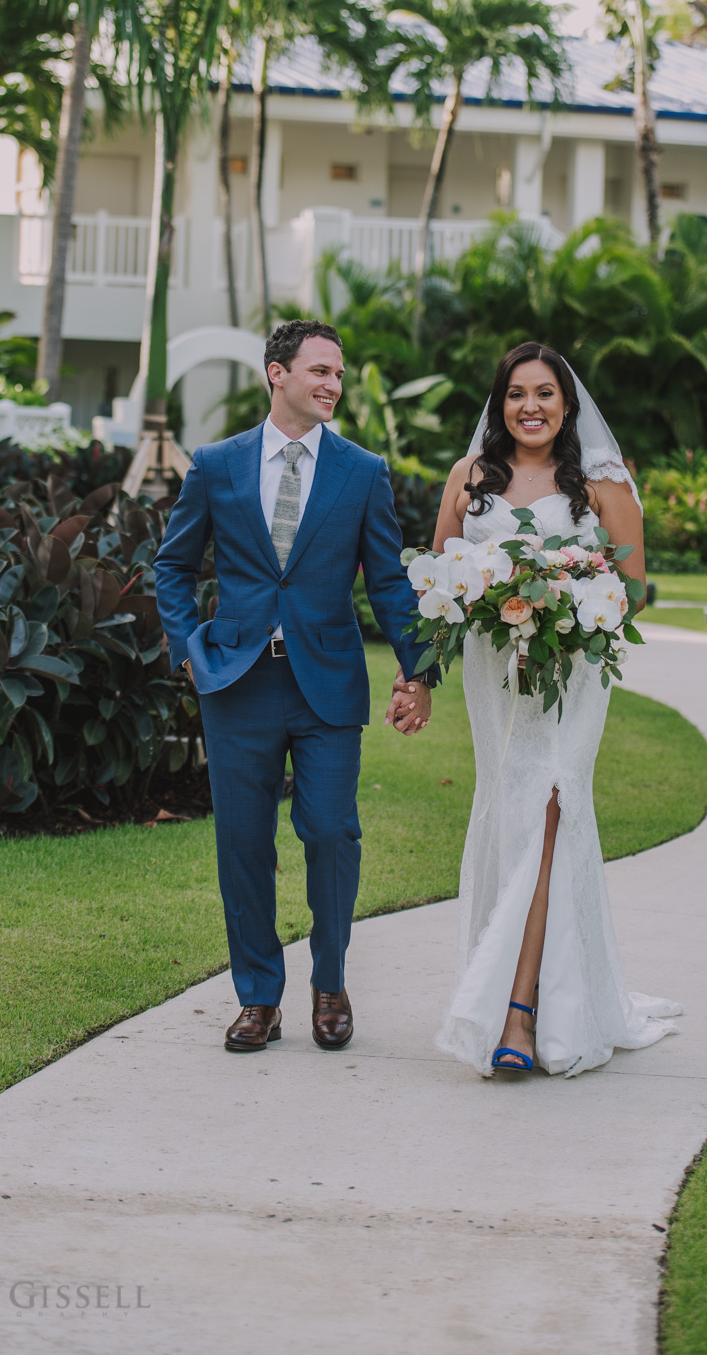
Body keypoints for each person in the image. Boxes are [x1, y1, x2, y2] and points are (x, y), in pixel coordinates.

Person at [154, 319, 434, 1055]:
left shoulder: (362, 471)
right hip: (237, 683)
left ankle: (331, 982)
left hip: (327, 682)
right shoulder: (216, 465)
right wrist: (188, 647)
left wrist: (419, 668)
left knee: (332, 832)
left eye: (338, 374)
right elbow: (173, 566)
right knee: (243, 844)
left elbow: (389, 581)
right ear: (276, 374)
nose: (332, 385)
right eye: (319, 371)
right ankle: (258, 998)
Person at [430, 341, 680, 1077]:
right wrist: (471, 617)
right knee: (510, 813)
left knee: (549, 806)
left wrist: (563, 598)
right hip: (494, 679)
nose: (529, 407)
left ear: (567, 405)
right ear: (499, 403)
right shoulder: (468, 478)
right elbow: (439, 579)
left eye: (544, 393)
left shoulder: (602, 486)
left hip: (569, 677)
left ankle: (518, 1012)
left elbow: (631, 590)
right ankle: (535, 991)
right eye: (516, 393)